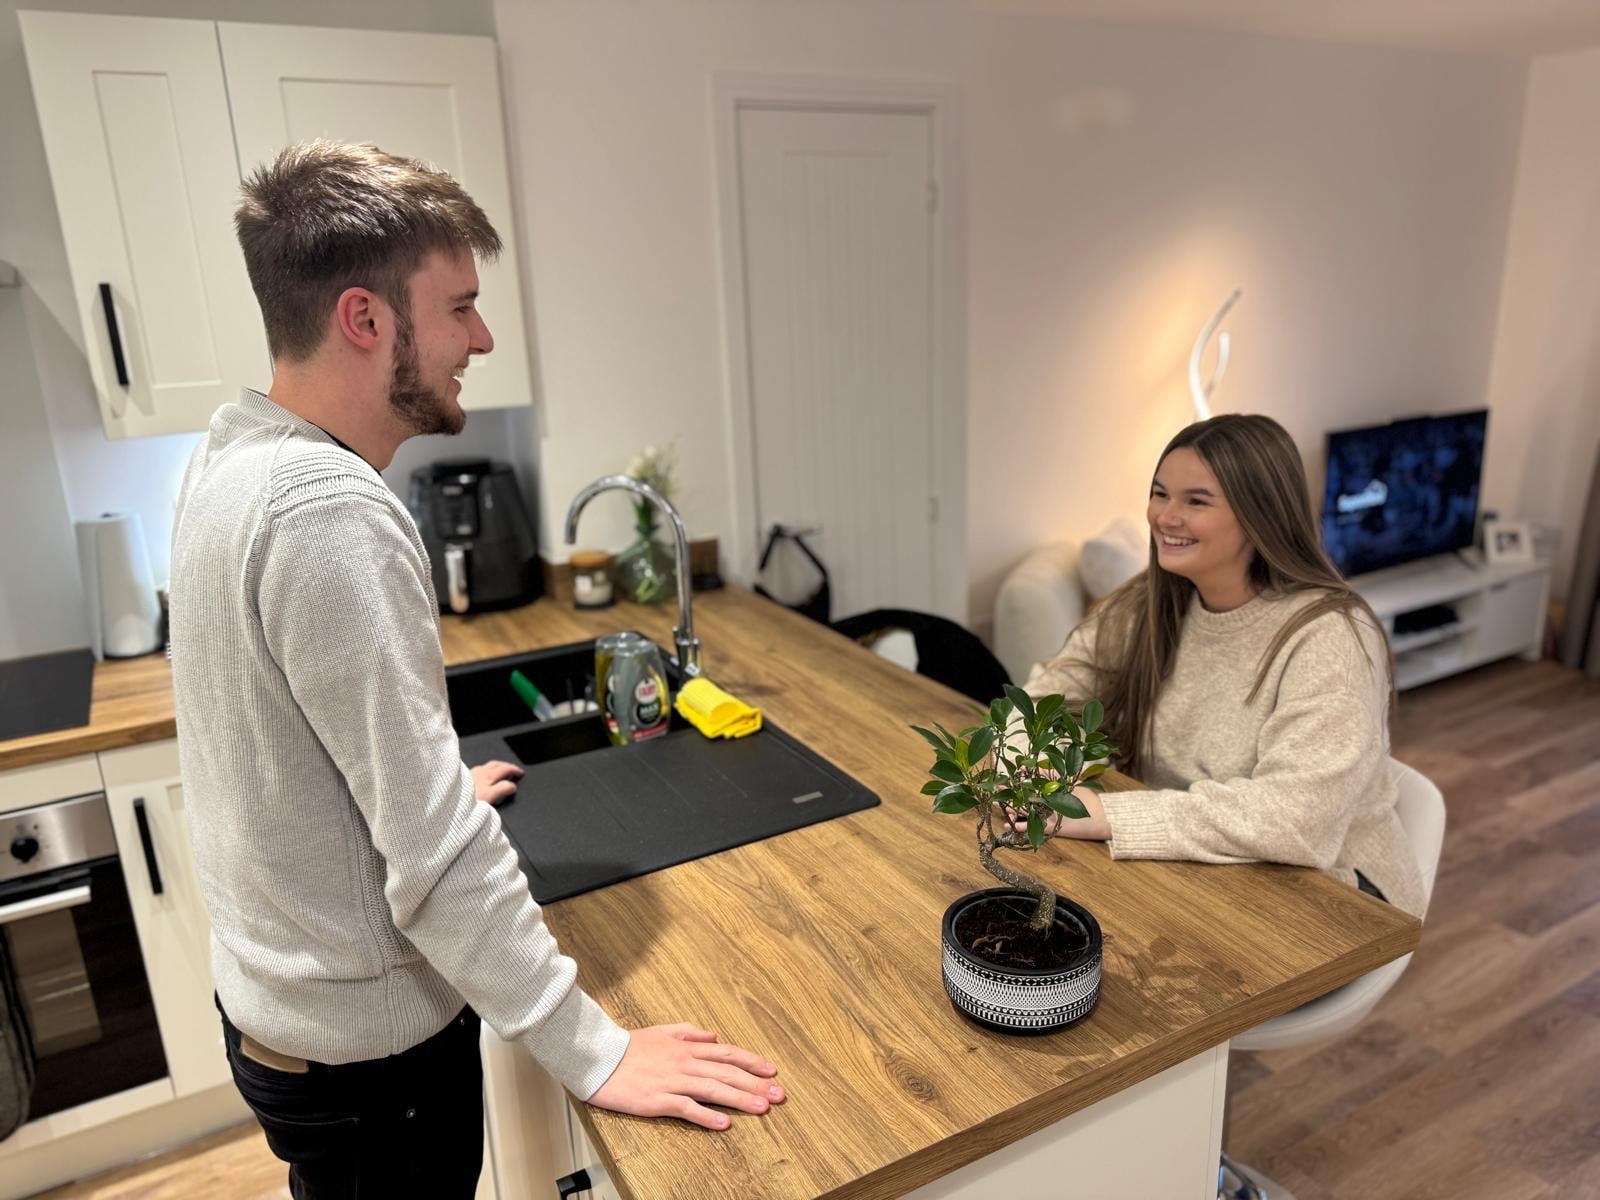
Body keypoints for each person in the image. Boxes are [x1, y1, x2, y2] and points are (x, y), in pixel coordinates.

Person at [168, 142, 784, 1198]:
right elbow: (438, 860)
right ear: (365, 319)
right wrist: (595, 1050)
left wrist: (431, 784)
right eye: (458, 306)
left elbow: (301, 751)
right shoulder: (327, 514)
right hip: (368, 1062)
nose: (482, 337)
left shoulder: (233, 455)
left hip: (283, 1017)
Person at [1019, 413, 1426, 918]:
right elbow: (1052, 689)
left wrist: (1107, 814)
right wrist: (1029, 756)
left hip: (1336, 895)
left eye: (1196, 501)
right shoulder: (1151, 600)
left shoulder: (1331, 637)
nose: (1165, 516)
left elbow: (1294, 819)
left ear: (1261, 516)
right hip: (1208, 864)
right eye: (1160, 493)